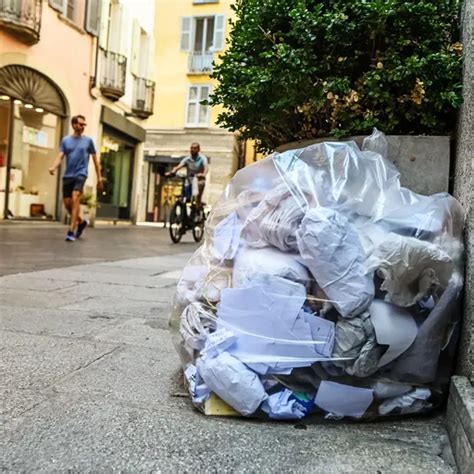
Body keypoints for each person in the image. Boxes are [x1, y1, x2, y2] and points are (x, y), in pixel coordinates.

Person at [48, 115, 103, 242]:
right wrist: (53, 167)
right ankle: (81, 222)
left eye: (84, 125)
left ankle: (71, 231)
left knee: (75, 197)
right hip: (68, 175)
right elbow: (60, 156)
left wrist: (99, 178)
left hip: (81, 174)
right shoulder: (66, 140)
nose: (83, 127)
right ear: (74, 125)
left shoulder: (88, 141)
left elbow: (95, 161)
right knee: (67, 204)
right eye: (81, 124)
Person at [166, 142, 209, 207]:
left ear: (198, 150)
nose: (192, 150)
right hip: (189, 179)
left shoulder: (202, 158)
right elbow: (178, 166)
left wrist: (203, 174)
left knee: (199, 189)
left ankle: (198, 205)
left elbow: (206, 167)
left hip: (199, 179)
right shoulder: (187, 159)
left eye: (194, 148)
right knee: (185, 191)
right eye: (191, 148)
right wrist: (172, 172)